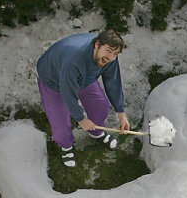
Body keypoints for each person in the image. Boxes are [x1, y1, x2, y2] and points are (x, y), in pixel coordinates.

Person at [36, 29, 130, 168]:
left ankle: (95, 131)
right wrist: (80, 118)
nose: (110, 57)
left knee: (100, 105)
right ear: (97, 44)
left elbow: (113, 82)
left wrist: (121, 113)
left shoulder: (108, 58)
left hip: (83, 77)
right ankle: (66, 146)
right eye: (108, 51)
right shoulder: (74, 61)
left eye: (115, 54)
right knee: (61, 124)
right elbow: (68, 93)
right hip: (53, 80)